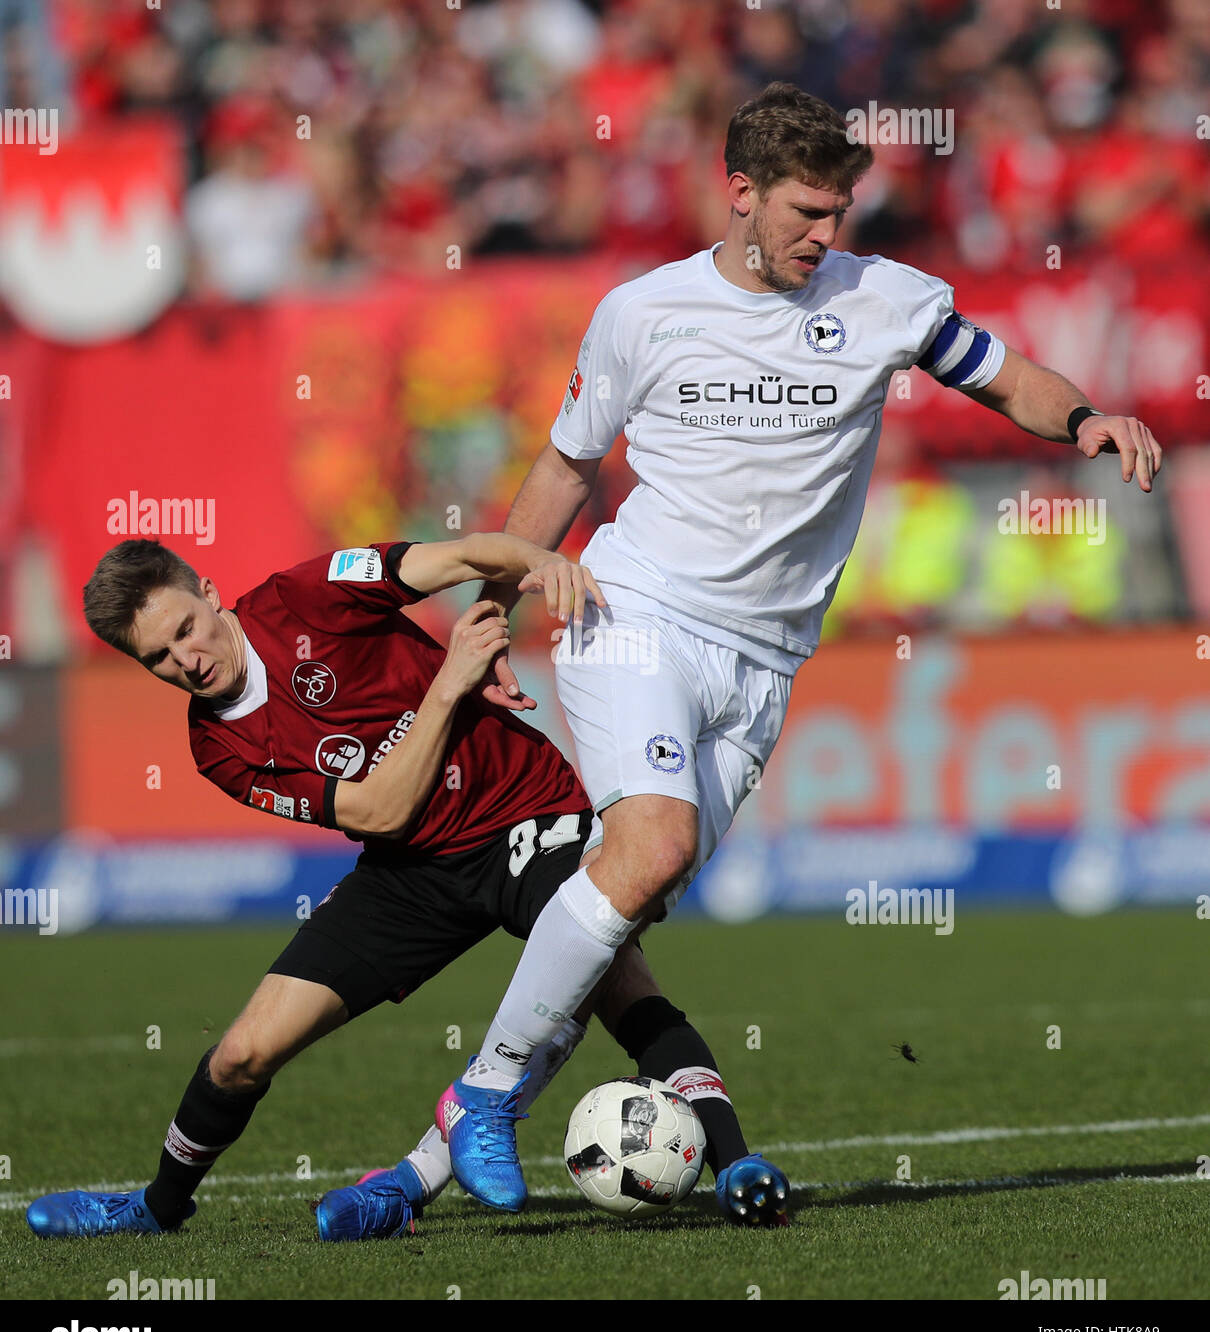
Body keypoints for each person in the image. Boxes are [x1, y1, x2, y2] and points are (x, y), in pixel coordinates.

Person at [437, 81, 1164, 1213]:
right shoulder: (642, 311)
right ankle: (483, 1096)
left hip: (764, 663)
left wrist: (1086, 419)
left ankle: (429, 1157)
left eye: (839, 215)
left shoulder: (889, 300)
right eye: (804, 215)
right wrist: (486, 616)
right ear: (739, 191)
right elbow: (567, 467)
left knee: (626, 894)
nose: (825, 238)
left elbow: (1009, 376)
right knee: (649, 845)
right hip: (637, 613)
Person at [26, 531, 782, 1242]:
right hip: (409, 867)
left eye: (186, 628)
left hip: (524, 814)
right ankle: (159, 1208)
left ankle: (735, 1162)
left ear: (211, 592)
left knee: (611, 980)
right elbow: (381, 809)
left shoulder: (307, 595)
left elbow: (456, 557)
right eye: (158, 658)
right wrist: (450, 683)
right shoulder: (217, 747)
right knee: (240, 1056)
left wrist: (538, 561)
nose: (186, 659)